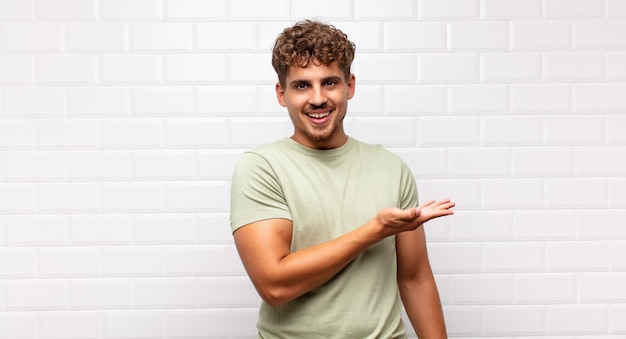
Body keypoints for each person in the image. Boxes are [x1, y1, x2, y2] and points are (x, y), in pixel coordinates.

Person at [230, 19, 455, 338]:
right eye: (302, 85)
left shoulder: (391, 167)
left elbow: (415, 278)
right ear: (282, 94)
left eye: (330, 82)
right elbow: (274, 285)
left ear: (349, 86)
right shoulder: (263, 167)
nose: (318, 98)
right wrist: (375, 230)